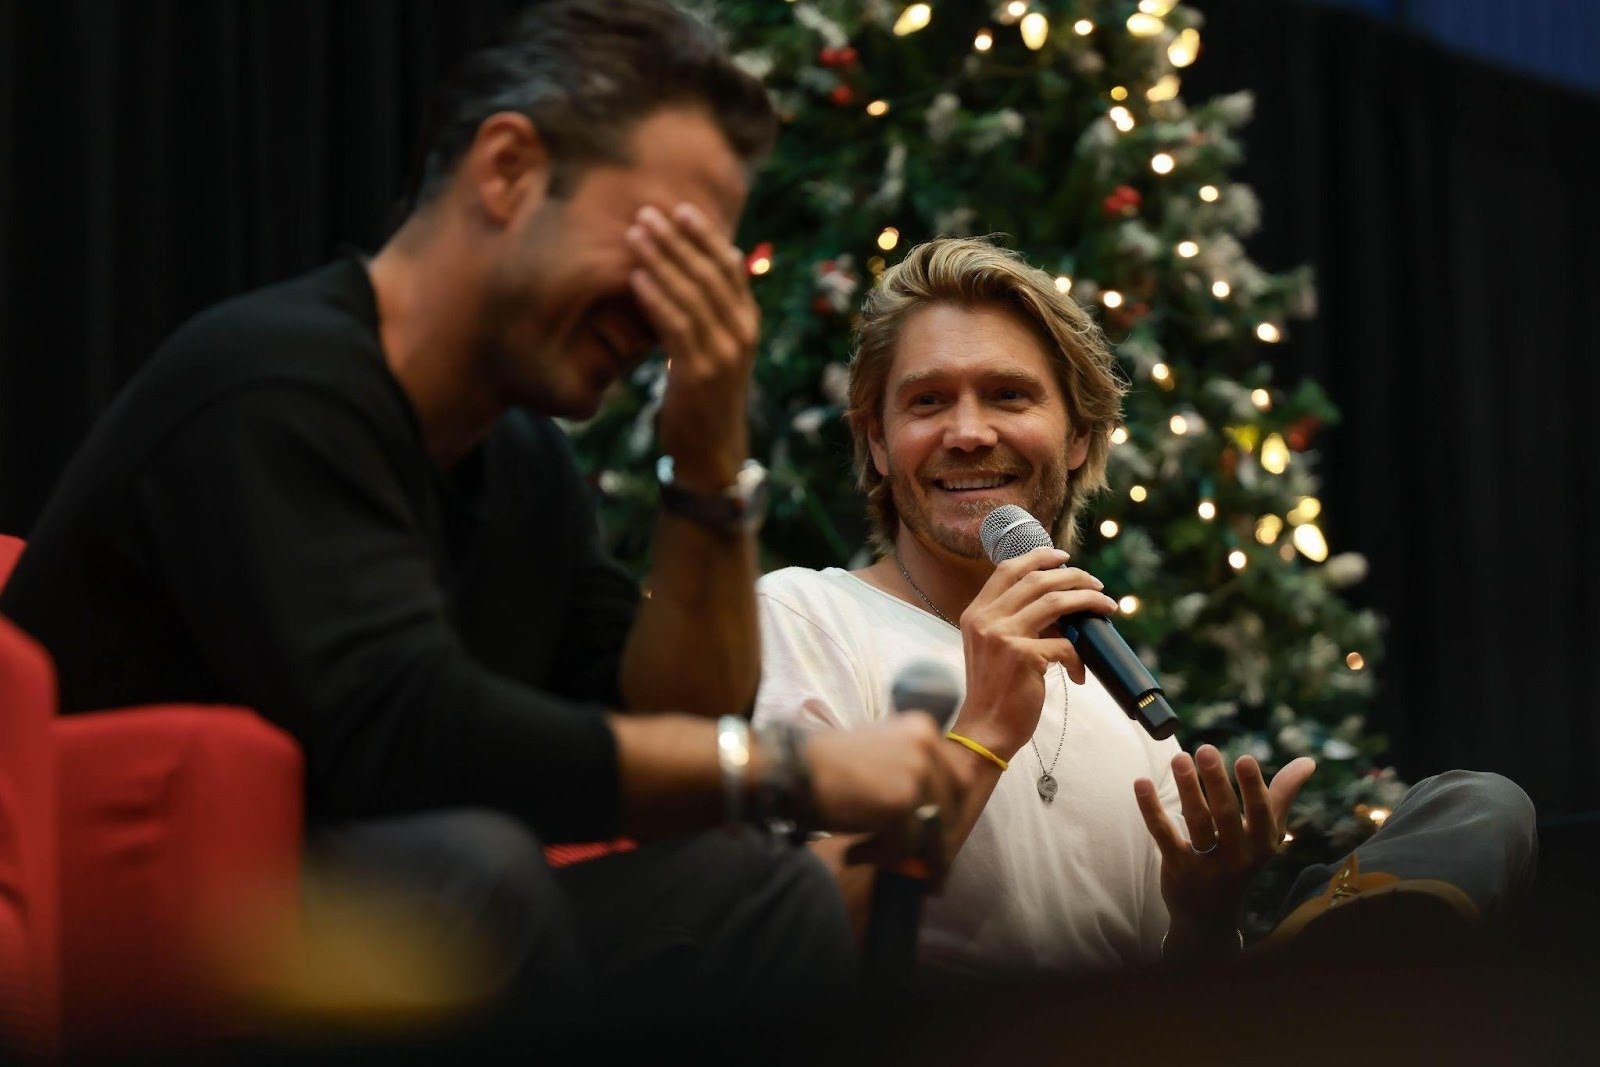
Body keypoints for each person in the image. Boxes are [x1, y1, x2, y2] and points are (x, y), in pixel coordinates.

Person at [0, 0, 967, 1030]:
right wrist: (786, 769)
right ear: (507, 171)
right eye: (665, 250)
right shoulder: (272, 382)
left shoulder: (520, 462)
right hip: (138, 932)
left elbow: (676, 725)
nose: (670, 317)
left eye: (704, 275)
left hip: (384, 912)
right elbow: (404, 733)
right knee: (464, 873)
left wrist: (707, 458)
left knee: (753, 893)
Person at [753, 236, 1537, 981]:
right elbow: (778, 937)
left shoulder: (1118, 692)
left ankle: (1349, 972)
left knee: (1479, 807)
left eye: (1008, 395)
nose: (968, 431)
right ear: (878, 441)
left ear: (1078, 438)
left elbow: (1166, 995)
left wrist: (1203, 916)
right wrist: (980, 734)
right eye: (928, 401)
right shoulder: (806, 614)